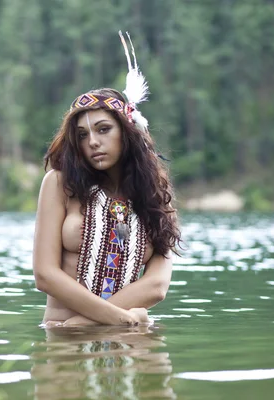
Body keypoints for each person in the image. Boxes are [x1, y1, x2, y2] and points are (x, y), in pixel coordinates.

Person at [33, 32, 181, 327]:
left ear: (127, 133)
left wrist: (85, 324)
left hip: (131, 345)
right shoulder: (60, 185)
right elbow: (45, 275)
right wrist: (120, 319)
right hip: (66, 344)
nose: (93, 142)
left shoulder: (155, 195)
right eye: (83, 135)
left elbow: (157, 286)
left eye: (103, 129)